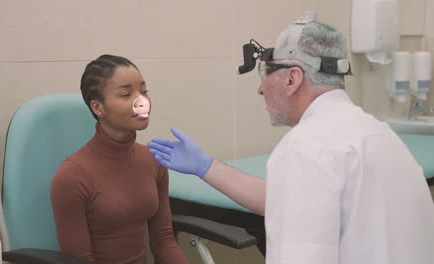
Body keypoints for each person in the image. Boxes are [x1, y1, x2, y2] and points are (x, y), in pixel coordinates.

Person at [148, 13, 434, 264]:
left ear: (292, 79)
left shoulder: (307, 147)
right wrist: (206, 166)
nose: (261, 88)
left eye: (266, 72)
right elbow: (292, 199)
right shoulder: (381, 136)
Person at [51, 55, 189, 264]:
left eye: (143, 91)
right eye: (126, 94)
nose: (142, 101)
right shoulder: (72, 175)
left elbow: (163, 241)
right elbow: (80, 260)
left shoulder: (153, 160)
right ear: (99, 108)